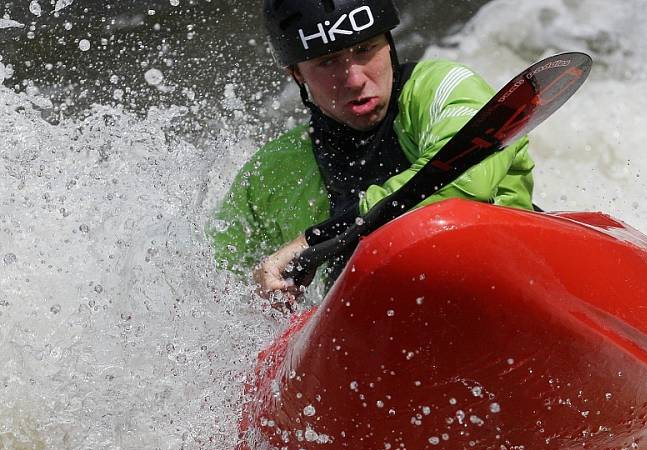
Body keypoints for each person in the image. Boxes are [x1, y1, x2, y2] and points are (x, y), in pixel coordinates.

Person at [209, 0, 535, 299]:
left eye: (365, 49)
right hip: (370, 329)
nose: (353, 79)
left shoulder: (446, 89)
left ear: (389, 44)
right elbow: (217, 280)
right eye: (327, 62)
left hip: (502, 280)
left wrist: (313, 240)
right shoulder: (272, 172)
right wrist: (257, 293)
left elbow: (462, 180)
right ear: (296, 74)